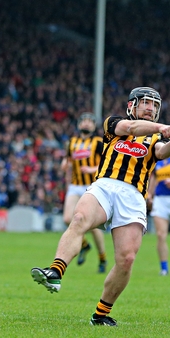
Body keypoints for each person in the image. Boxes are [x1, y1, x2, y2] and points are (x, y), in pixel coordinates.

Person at [30, 87, 170, 326]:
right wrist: (163, 127)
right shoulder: (114, 123)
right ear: (132, 106)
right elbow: (131, 129)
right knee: (79, 219)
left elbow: (163, 152)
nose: (150, 108)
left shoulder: (157, 138)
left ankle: (101, 314)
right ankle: (56, 271)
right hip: (105, 186)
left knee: (126, 259)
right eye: (145, 103)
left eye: (154, 105)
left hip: (134, 195)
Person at [60, 112, 107, 273]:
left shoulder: (99, 142)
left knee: (93, 226)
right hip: (75, 185)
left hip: (92, 185)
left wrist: (92, 169)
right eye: (84, 121)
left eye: (90, 122)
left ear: (94, 127)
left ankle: (102, 258)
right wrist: (64, 164)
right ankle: (85, 245)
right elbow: (67, 160)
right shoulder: (72, 142)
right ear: (79, 125)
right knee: (67, 218)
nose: (86, 124)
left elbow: (106, 163)